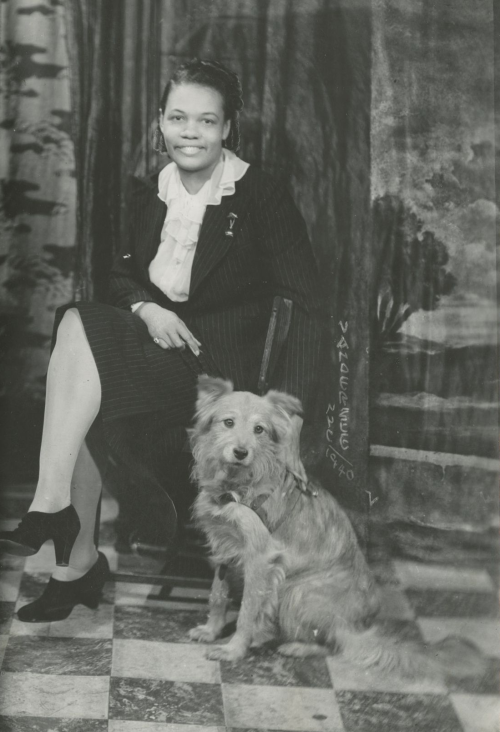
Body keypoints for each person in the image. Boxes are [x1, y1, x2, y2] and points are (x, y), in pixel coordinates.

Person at [0, 59, 325, 622]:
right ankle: (63, 538)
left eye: (206, 121)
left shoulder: (259, 195)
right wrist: (147, 308)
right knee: (77, 335)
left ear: (227, 129)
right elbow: (123, 275)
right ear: (160, 123)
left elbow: (311, 301)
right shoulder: (154, 189)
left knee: (78, 368)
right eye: (178, 118)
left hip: (214, 371)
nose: (190, 132)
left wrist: (283, 408)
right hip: (158, 347)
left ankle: (69, 552)